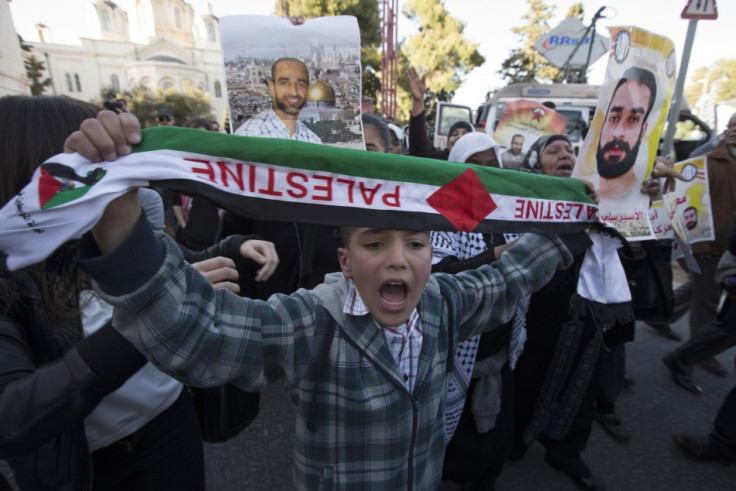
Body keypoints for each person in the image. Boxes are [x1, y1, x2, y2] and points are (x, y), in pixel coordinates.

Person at [63, 109, 574, 490]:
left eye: (416, 244)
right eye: (374, 243)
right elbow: (202, 333)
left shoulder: (443, 301)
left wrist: (582, 208)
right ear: (345, 262)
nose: (399, 260)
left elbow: (509, 278)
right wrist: (119, 224)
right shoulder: (314, 321)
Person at [0, 95, 277, 491]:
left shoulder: (108, 228)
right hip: (88, 466)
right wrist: (145, 317)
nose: (116, 176)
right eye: (94, 163)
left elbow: (177, 261)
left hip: (170, 423)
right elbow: (12, 416)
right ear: (37, 176)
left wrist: (233, 249)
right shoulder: (11, 285)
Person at [517, 134, 608, 491]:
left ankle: (566, 449)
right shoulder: (524, 198)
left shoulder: (595, 196)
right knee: (530, 374)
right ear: (535, 162)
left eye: (571, 150)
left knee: (583, 377)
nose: (565, 155)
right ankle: (517, 439)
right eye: (553, 151)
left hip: (590, 304)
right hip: (542, 309)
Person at [432, 131, 520, 490]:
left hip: (498, 351)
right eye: (474, 166)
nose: (483, 174)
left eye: (491, 164)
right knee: (451, 448)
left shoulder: (509, 208)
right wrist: (494, 258)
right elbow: (439, 274)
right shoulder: (444, 210)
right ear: (458, 168)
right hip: (458, 350)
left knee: (492, 445)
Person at [654, 112, 736, 377]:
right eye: (732, 126)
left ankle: (660, 316)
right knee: (707, 297)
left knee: (698, 286)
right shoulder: (711, 158)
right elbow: (686, 191)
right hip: (709, 241)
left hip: (724, 242)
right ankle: (699, 351)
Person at [672, 211, 736, 460]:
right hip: (708, 246)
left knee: (704, 301)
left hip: (713, 248)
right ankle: (724, 442)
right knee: (710, 308)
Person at [596, 67, 657, 200]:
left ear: (643, 130)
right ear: (602, 126)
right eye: (614, 118)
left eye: (633, 120)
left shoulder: (647, 192)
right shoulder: (577, 186)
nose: (618, 133)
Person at [234, 57, 321, 143]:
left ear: (307, 91)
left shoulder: (313, 141)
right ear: (272, 87)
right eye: (284, 83)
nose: (294, 92)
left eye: (301, 84)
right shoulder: (250, 135)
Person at [406, 66, 473, 160]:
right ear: (447, 143)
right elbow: (419, 146)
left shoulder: (478, 164)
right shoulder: (439, 159)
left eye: (465, 134)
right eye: (455, 134)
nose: (460, 137)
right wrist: (418, 101)